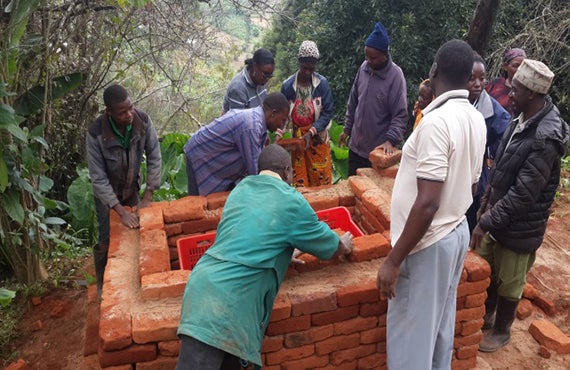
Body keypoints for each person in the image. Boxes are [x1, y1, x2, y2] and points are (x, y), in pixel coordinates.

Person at [176, 144, 354, 370]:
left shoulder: (240, 190)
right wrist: (344, 245)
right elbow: (329, 246)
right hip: (229, 302)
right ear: (288, 171)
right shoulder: (292, 201)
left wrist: (278, 255)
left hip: (202, 286)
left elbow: (239, 237)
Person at [376, 40, 486, 369]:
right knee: (437, 326)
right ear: (469, 77)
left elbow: (427, 203)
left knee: (412, 337)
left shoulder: (437, 122)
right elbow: (473, 182)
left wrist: (393, 261)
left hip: (428, 242)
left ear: (434, 71)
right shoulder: (474, 117)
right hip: (455, 232)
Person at [470, 59, 569, 353]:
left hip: (521, 225)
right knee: (488, 266)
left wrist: (485, 221)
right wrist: (484, 209)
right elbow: (499, 170)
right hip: (499, 216)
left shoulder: (545, 137)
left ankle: (502, 330)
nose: (508, 94)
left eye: (516, 90)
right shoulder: (520, 118)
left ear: (533, 94)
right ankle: (486, 315)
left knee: (511, 280)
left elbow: (523, 195)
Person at [86, 84, 161, 297]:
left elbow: (155, 155)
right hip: (106, 196)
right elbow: (98, 178)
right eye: (122, 112)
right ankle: (104, 287)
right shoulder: (96, 134)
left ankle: (133, 283)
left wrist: (147, 196)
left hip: (132, 188)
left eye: (131, 107)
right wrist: (120, 211)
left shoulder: (142, 121)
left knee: (135, 233)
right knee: (107, 238)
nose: (129, 114)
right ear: (109, 112)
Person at [184, 92, 289, 196]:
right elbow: (255, 170)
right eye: (283, 120)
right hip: (199, 155)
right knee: (197, 205)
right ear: (273, 113)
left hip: (209, 156)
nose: (282, 125)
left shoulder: (258, 123)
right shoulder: (252, 127)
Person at [339, 22, 408, 176]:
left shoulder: (395, 76)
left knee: (370, 196)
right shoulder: (363, 68)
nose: (369, 61)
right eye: (366, 56)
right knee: (352, 191)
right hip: (356, 148)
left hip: (377, 154)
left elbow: (400, 114)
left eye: (373, 58)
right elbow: (353, 101)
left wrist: (390, 140)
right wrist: (347, 128)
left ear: (385, 55)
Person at [465, 53, 511, 233]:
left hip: (477, 178)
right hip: (453, 174)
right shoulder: (452, 104)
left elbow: (501, 147)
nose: (477, 84)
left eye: (482, 79)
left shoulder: (496, 113)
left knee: (469, 220)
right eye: (471, 78)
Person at [279, 40, 334, 187]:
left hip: (318, 137)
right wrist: (279, 135)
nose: (308, 72)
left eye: (311, 68)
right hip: (298, 140)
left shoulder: (322, 84)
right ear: (299, 63)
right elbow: (282, 113)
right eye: (304, 68)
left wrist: (311, 132)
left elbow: (328, 112)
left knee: (321, 180)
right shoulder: (288, 86)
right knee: (300, 181)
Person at [222, 48, 275, 114]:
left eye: (270, 76)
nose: (267, 79)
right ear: (255, 67)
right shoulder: (238, 88)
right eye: (265, 74)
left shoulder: (261, 81)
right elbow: (237, 121)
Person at [486, 48, 526, 116]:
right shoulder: (495, 85)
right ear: (505, 66)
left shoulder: (527, 91)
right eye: (515, 66)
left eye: (523, 66)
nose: (520, 70)